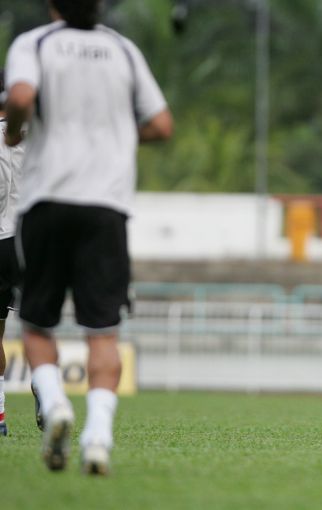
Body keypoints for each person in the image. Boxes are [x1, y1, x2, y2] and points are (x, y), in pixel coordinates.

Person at [4, 0, 173, 474]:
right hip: (106, 208)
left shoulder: (33, 43)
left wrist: (16, 131)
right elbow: (161, 124)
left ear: (52, 4)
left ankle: (56, 403)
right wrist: (117, 135)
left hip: (47, 203)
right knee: (103, 332)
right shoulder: (123, 49)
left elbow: (20, 97)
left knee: (36, 325)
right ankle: (97, 436)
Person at [0, 69, 26, 437]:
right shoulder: (38, 134)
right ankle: (45, 388)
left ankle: (1, 415)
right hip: (34, 239)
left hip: (0, 238)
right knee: (41, 326)